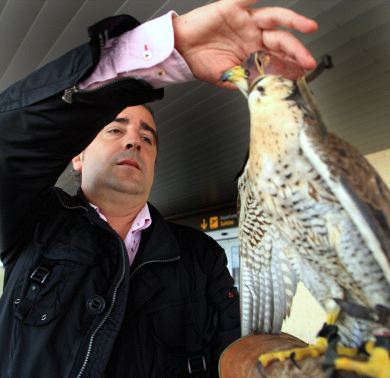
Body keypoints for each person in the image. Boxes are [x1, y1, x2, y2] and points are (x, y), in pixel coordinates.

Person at [0, 0, 318, 377]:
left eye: (147, 138)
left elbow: (238, 345)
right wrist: (167, 50)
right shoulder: (32, 225)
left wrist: (278, 362)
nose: (134, 142)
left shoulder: (201, 256)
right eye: (116, 130)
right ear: (77, 157)